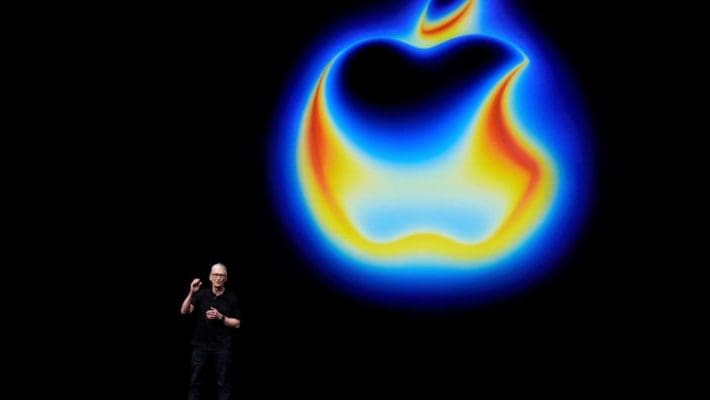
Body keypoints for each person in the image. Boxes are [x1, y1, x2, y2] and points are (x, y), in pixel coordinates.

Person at [181, 262, 241, 400]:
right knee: (195, 384)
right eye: (216, 275)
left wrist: (221, 317)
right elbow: (184, 311)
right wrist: (191, 292)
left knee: (223, 385)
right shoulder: (201, 295)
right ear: (210, 277)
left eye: (222, 275)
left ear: (226, 278)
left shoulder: (232, 298)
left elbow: (237, 324)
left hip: (222, 348)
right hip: (200, 346)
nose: (218, 278)